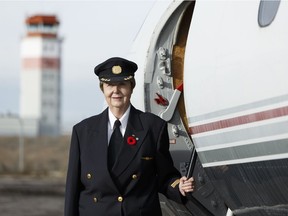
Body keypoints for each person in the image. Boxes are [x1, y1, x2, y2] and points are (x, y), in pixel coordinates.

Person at [64, 57, 194, 216]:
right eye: (110, 85)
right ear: (102, 88)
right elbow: (72, 189)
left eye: (122, 84)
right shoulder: (82, 131)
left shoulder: (153, 127)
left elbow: (165, 176)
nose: (116, 91)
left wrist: (178, 187)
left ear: (132, 87)